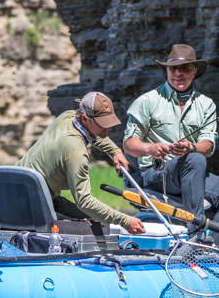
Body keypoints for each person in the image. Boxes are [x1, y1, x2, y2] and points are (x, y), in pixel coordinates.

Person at [122, 43, 219, 248]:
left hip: (191, 172)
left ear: (194, 71)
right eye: (173, 69)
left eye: (185, 68)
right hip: (155, 174)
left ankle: (217, 248)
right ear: (167, 70)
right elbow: (129, 144)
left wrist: (191, 147)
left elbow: (207, 146)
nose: (178, 74)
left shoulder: (206, 104)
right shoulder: (147, 101)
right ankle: (195, 234)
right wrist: (151, 149)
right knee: (195, 160)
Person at [18, 92, 146, 235]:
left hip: (23, 191)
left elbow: (93, 134)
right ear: (85, 118)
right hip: (29, 207)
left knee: (94, 219)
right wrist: (125, 221)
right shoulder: (76, 152)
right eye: (103, 124)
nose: (108, 128)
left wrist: (115, 151)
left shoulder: (67, 117)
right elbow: (84, 201)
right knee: (95, 228)